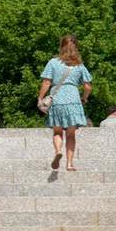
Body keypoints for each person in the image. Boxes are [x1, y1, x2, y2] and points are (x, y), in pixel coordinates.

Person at [37, 35, 92, 171]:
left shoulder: (53, 62)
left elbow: (46, 82)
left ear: (61, 47)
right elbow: (88, 87)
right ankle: (69, 164)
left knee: (57, 131)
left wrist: (40, 98)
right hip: (73, 100)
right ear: (76, 47)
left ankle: (58, 151)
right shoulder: (79, 65)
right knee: (71, 134)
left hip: (57, 99)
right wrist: (84, 98)